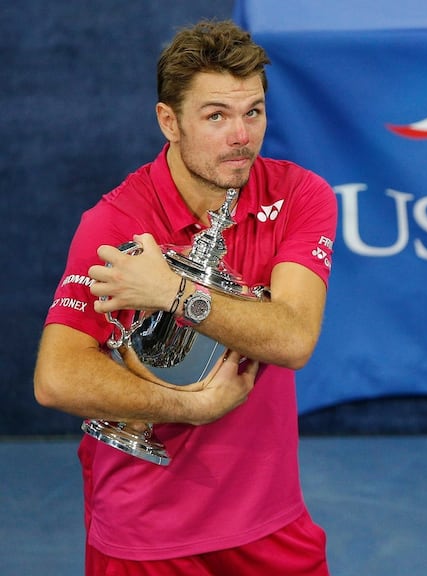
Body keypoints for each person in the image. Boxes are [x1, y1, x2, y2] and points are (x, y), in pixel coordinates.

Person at [33, 19, 337, 575]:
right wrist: (190, 407)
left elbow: (294, 339)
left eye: (254, 112)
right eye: (216, 115)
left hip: (269, 524)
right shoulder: (115, 221)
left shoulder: (299, 195)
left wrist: (174, 292)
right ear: (168, 121)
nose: (241, 136)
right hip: (144, 534)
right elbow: (57, 377)